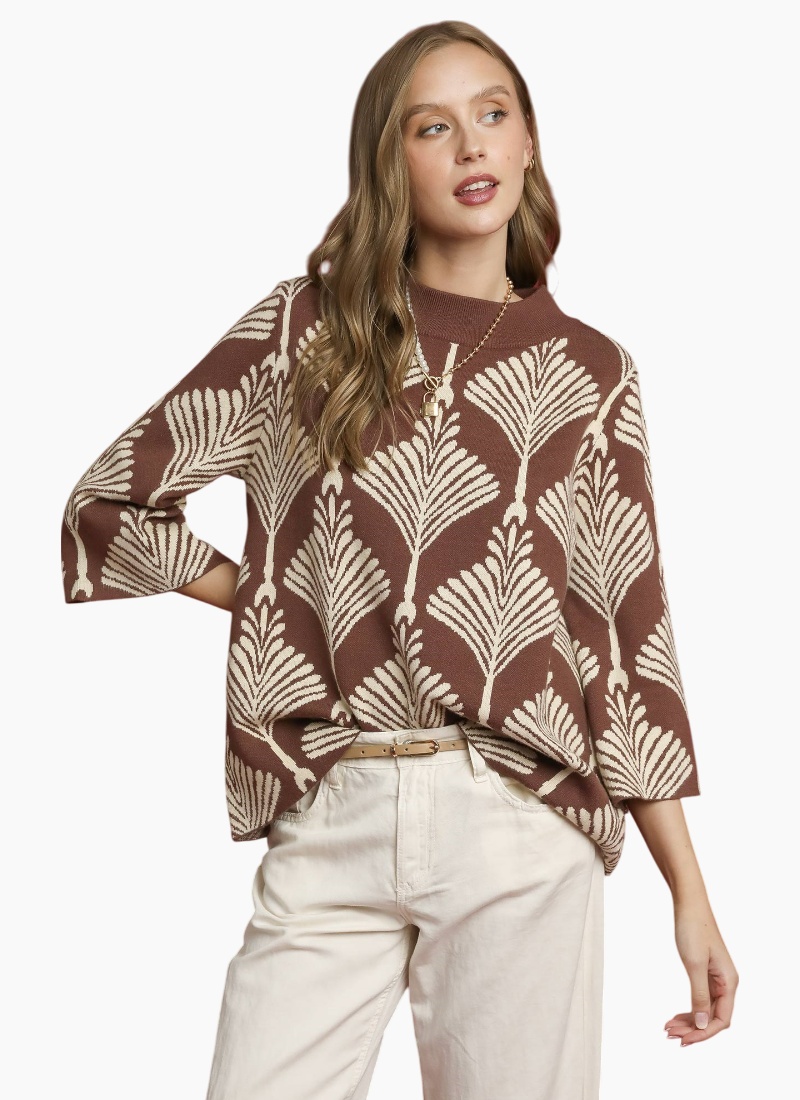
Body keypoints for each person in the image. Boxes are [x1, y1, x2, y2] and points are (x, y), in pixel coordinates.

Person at [59, 19, 738, 1100]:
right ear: (391, 160)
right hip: (334, 801)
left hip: (520, 819)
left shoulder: (590, 371)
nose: (470, 146)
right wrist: (269, 595)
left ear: (527, 142)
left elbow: (624, 640)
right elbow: (111, 502)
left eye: (492, 114)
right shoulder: (304, 329)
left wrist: (687, 892)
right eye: (432, 127)